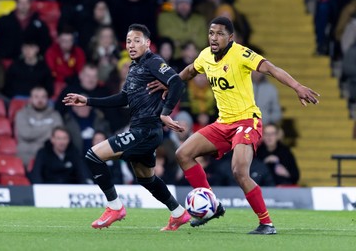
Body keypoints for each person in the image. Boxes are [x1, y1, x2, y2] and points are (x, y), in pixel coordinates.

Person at [147, 16, 319, 234]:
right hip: (223, 123)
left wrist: (297, 86)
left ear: (230, 37)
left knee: (239, 170)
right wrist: (169, 83)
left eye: (219, 34)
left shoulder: (241, 54)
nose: (214, 38)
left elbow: (271, 68)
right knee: (183, 154)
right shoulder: (206, 56)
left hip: (247, 121)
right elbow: (190, 71)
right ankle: (212, 206)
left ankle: (266, 223)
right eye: (211, 33)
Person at [62, 23, 190, 231]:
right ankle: (178, 213)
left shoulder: (153, 61)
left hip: (146, 130)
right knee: (147, 179)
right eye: (129, 41)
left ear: (147, 44)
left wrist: (165, 113)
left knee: (93, 155)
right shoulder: (134, 68)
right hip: (145, 131)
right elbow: (123, 98)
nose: (131, 45)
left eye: (137, 40)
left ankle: (115, 207)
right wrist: (87, 101)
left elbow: (176, 82)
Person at [15, 86, 63, 167]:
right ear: (30, 99)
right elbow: (26, 134)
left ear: (48, 99)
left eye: (43, 97)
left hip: (48, 153)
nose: (40, 100)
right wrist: (48, 129)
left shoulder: (55, 115)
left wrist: (34, 131)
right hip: (26, 154)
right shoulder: (21, 114)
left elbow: (59, 136)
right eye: (36, 96)